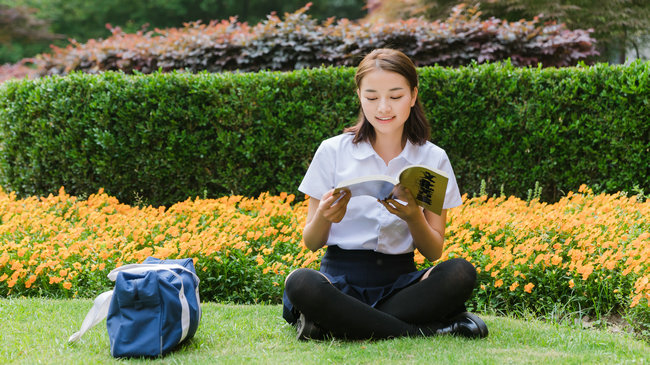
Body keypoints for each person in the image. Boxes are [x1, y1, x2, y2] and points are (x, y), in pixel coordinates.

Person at [282, 48, 488, 341]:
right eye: (371, 97)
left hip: (402, 285)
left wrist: (414, 217)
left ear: (413, 96)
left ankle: (335, 324)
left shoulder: (433, 159)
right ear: (359, 96)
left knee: (460, 273)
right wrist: (326, 218)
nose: (383, 108)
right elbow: (312, 242)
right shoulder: (333, 151)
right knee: (302, 283)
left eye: (395, 96)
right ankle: (429, 330)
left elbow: (433, 251)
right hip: (339, 281)